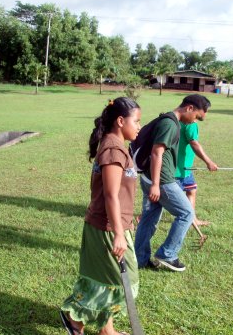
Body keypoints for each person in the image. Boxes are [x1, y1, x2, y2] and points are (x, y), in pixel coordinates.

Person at [60, 97, 141, 335]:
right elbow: (110, 195)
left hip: (112, 223)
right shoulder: (113, 150)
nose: (138, 126)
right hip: (107, 227)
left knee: (105, 281)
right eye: (136, 121)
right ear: (120, 121)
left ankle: (107, 330)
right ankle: (73, 317)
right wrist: (118, 233)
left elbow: (118, 193)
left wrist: (127, 217)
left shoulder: (113, 144)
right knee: (122, 282)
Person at [134, 94, 209, 272]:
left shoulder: (169, 119)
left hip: (150, 177)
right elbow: (156, 153)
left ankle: (139, 259)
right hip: (161, 181)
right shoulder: (170, 123)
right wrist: (155, 184)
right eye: (197, 117)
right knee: (186, 213)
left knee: (148, 219)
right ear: (189, 108)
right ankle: (167, 254)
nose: (194, 121)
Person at [175, 111, 218, 229]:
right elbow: (194, 144)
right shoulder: (191, 124)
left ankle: (193, 219)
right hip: (177, 170)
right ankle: (143, 218)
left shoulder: (176, 120)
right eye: (204, 111)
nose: (205, 114)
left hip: (185, 169)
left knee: (191, 190)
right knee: (165, 199)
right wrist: (209, 162)